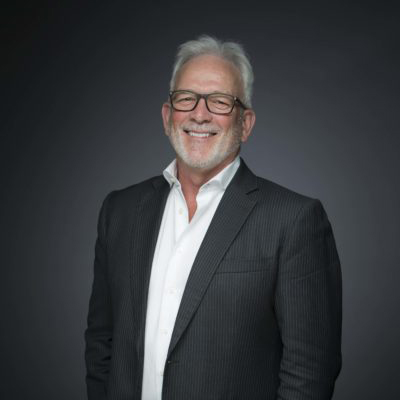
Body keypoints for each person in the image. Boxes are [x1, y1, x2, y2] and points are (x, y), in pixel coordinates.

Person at [85, 35, 342, 400]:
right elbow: (102, 345)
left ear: (245, 123)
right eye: (185, 98)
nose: (199, 114)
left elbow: (310, 372)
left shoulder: (294, 221)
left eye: (220, 101)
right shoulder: (120, 211)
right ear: (167, 115)